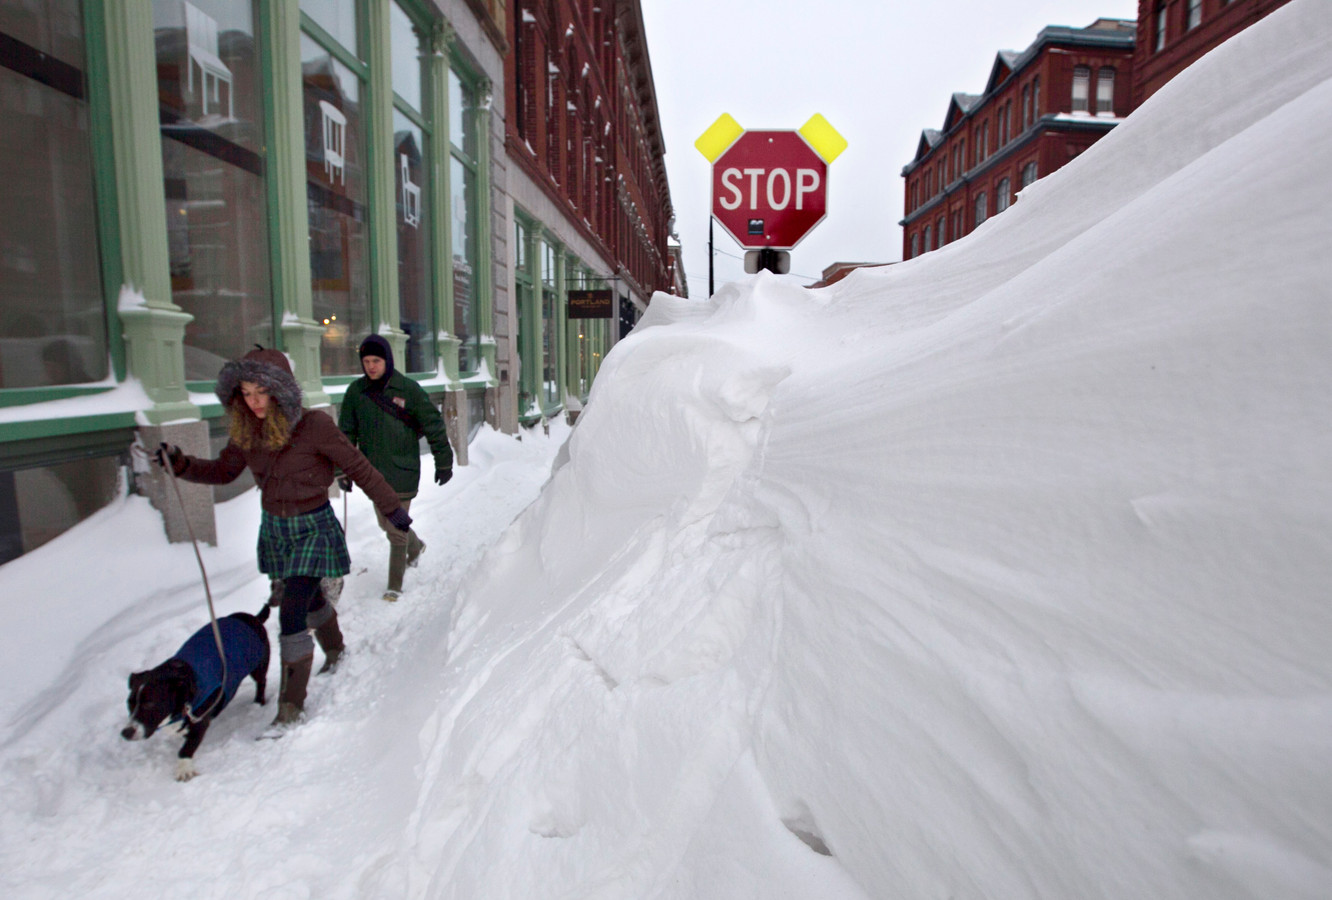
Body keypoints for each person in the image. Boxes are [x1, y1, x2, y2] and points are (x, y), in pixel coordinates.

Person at [153, 347, 411, 727]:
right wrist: (181, 464)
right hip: (276, 528)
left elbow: (358, 467)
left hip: (313, 527)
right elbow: (224, 471)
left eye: (261, 392)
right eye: (246, 392)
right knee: (309, 598)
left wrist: (392, 509)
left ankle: (290, 706)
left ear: (281, 391)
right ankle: (336, 648)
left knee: (291, 612)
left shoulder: (315, 426)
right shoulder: (246, 431)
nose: (254, 401)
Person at [338, 334, 453, 601]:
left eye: (376, 360)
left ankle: (394, 585)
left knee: (395, 528)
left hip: (403, 470)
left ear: (387, 360)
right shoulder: (356, 392)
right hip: (372, 474)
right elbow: (345, 434)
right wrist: (342, 471)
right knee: (386, 523)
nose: (371, 366)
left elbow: (433, 424)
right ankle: (416, 547)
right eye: (366, 361)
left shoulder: (408, 389)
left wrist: (443, 462)